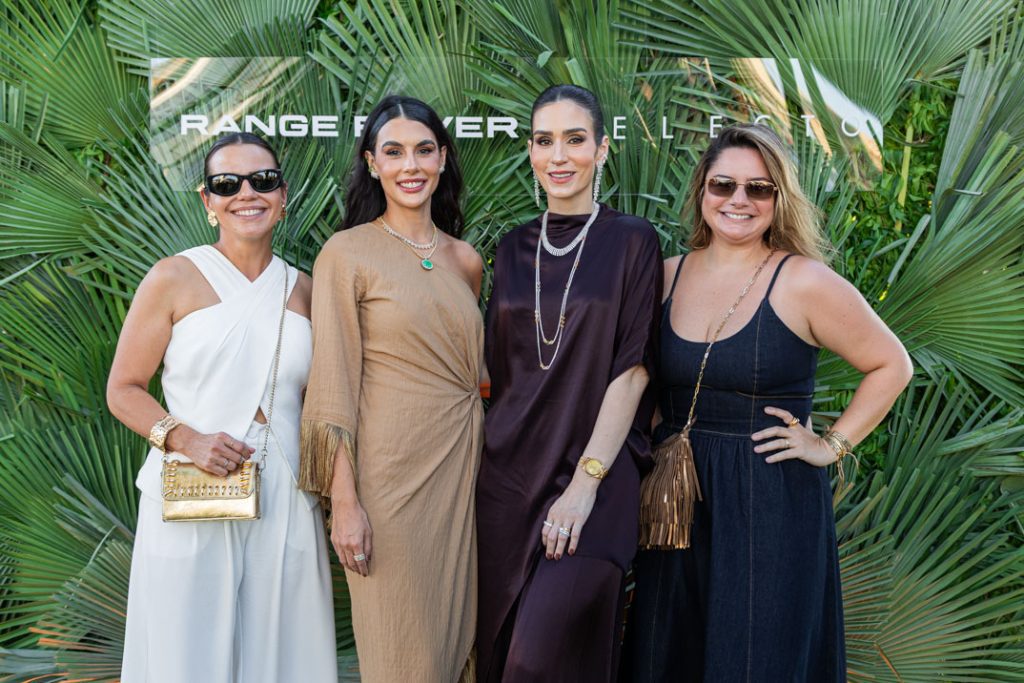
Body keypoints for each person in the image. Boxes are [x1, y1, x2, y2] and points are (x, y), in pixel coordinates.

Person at [624, 123, 914, 681]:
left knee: (757, 656)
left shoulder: (803, 281)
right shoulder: (663, 276)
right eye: (723, 185)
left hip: (769, 498)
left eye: (758, 189)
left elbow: (892, 365)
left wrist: (829, 445)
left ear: (779, 199)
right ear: (701, 192)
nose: (738, 200)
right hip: (675, 499)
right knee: (668, 653)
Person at [107, 132, 337, 682]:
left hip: (284, 489)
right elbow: (123, 388)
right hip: (194, 485)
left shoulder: (306, 289)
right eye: (226, 184)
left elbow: (328, 401)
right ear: (208, 202)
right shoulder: (173, 276)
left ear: (283, 197)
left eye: (262, 181)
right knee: (188, 650)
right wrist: (187, 440)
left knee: (286, 655)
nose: (246, 194)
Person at [476, 84, 662, 682]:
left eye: (574, 140)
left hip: (597, 480)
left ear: (602, 150)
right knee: (502, 654)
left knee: (540, 658)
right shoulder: (510, 249)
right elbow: (496, 373)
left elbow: (633, 371)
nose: (559, 155)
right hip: (506, 484)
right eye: (544, 140)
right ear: (531, 152)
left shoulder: (633, 240)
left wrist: (584, 487)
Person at [299, 95, 484, 683]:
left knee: (458, 651)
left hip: (466, 478)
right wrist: (345, 505)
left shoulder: (465, 260)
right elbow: (332, 386)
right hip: (387, 489)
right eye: (394, 152)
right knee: (406, 656)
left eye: (424, 150)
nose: (411, 165)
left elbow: (472, 374)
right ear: (372, 164)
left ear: (443, 158)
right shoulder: (346, 252)